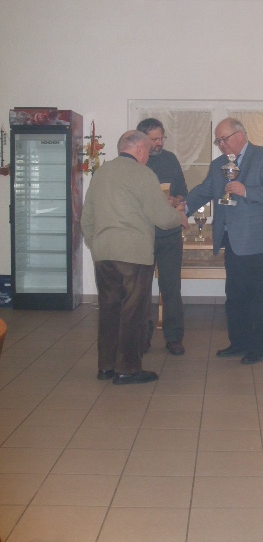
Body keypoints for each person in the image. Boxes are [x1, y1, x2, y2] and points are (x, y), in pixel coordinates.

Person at [81, 130, 187, 385]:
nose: (148, 156)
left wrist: (97, 245)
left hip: (104, 254)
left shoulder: (102, 173)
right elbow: (161, 217)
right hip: (133, 255)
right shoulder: (143, 174)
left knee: (109, 311)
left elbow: (86, 218)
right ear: (139, 150)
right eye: (147, 151)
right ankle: (127, 369)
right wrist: (180, 218)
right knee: (133, 313)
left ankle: (106, 366)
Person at [185, 118, 263, 364]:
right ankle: (238, 343)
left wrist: (246, 191)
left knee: (259, 297)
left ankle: (260, 347)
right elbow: (204, 191)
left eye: (224, 139)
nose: (221, 145)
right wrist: (182, 209)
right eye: (218, 141)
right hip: (232, 240)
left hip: (261, 242)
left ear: (240, 135)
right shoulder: (218, 164)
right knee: (235, 295)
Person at [136, 117, 188, 355]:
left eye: (161, 138)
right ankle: (142, 337)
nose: (159, 143)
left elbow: (183, 192)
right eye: (154, 139)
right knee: (141, 290)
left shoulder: (170, 159)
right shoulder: (136, 163)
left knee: (171, 288)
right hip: (144, 234)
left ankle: (174, 338)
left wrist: (175, 200)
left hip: (170, 234)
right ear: (142, 139)